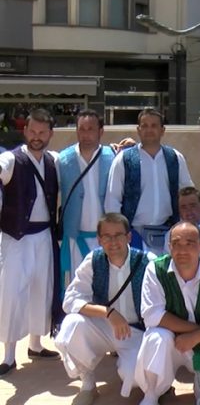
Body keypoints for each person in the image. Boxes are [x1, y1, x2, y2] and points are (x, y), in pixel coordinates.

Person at [55, 213, 152, 404]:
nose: (113, 242)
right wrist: (108, 313)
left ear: (129, 237)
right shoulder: (94, 260)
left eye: (118, 235)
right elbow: (70, 299)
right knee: (73, 324)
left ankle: (143, 377)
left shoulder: (147, 261)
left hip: (136, 331)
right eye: (107, 236)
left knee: (135, 377)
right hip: (104, 327)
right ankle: (88, 384)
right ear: (99, 240)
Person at [135, 221, 200, 405]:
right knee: (156, 337)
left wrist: (197, 337)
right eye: (176, 244)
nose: (182, 250)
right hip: (173, 341)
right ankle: (152, 394)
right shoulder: (156, 269)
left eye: (189, 244)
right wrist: (197, 332)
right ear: (169, 247)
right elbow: (151, 314)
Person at [0, 108, 60, 376]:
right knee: (12, 293)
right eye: (32, 131)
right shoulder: (11, 159)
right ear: (25, 131)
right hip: (16, 238)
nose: (37, 136)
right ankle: (8, 356)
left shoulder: (54, 160)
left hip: (45, 235)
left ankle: (36, 345)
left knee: (41, 290)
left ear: (50, 134)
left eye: (42, 132)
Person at [105, 108, 194, 253]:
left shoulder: (174, 158)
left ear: (162, 130)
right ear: (138, 130)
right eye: (144, 126)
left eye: (154, 126)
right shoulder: (124, 160)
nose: (149, 130)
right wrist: (119, 233)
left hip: (169, 234)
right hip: (134, 235)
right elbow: (112, 201)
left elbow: (187, 194)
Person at [58, 110, 116, 287]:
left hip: (106, 240)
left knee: (106, 289)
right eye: (82, 129)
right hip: (75, 239)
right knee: (77, 289)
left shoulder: (113, 157)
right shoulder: (62, 160)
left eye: (91, 129)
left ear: (101, 131)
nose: (86, 134)